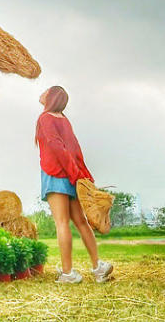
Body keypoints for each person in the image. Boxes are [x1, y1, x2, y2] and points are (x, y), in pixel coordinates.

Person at [36, 85, 113, 284]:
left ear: (51, 97)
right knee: (81, 222)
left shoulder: (45, 118)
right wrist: (81, 176)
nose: (42, 92)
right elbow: (75, 149)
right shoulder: (65, 120)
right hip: (72, 176)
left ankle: (68, 273)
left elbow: (56, 146)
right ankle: (98, 267)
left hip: (56, 173)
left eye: (46, 91)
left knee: (62, 223)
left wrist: (73, 173)